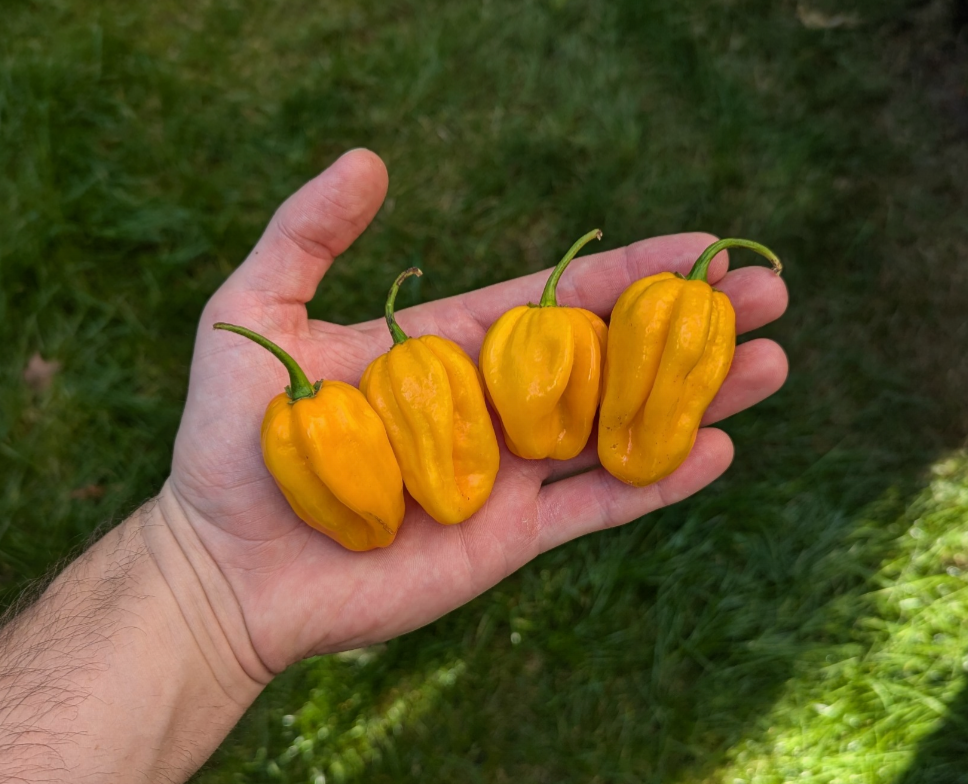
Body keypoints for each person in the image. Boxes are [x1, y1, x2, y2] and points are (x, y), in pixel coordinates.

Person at [0, 149, 789, 782]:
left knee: (626, 418)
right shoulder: (303, 418)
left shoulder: (621, 328)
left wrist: (196, 587)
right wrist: (201, 575)